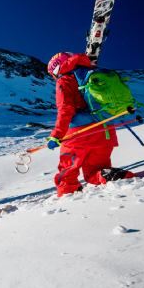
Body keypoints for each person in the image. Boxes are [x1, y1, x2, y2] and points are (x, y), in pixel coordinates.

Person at [46, 52, 133, 196]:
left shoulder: (65, 80)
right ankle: (109, 176)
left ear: (56, 68)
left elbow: (65, 109)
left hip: (78, 135)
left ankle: (67, 196)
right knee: (95, 171)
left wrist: (56, 136)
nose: (54, 77)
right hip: (105, 130)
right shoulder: (92, 73)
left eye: (53, 74)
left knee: (67, 170)